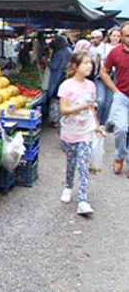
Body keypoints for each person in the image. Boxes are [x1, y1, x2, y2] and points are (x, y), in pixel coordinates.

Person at [57, 50, 104, 215]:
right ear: (75, 66)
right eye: (85, 63)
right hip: (70, 132)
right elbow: (63, 110)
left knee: (84, 165)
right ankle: (68, 187)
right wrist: (82, 107)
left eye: (90, 63)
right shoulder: (66, 86)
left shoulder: (91, 86)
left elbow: (92, 110)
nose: (89, 66)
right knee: (71, 163)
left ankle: (83, 201)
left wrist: (97, 125)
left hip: (86, 131)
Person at [100, 21, 129, 176]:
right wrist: (114, 90)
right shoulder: (115, 52)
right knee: (121, 129)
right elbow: (103, 71)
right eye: (127, 36)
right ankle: (119, 156)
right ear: (122, 37)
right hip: (122, 96)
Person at [96, 27, 122, 126]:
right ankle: (96, 121)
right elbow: (97, 60)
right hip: (102, 75)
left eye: (118, 36)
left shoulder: (123, 48)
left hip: (116, 77)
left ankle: (103, 124)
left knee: (109, 103)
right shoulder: (103, 46)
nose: (115, 38)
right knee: (100, 100)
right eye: (114, 35)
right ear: (110, 36)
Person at [46, 35, 73, 127]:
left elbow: (54, 66)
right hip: (66, 77)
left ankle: (54, 121)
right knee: (62, 99)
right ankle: (61, 119)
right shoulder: (69, 51)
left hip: (57, 78)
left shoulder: (59, 53)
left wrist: (47, 62)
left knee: (54, 99)